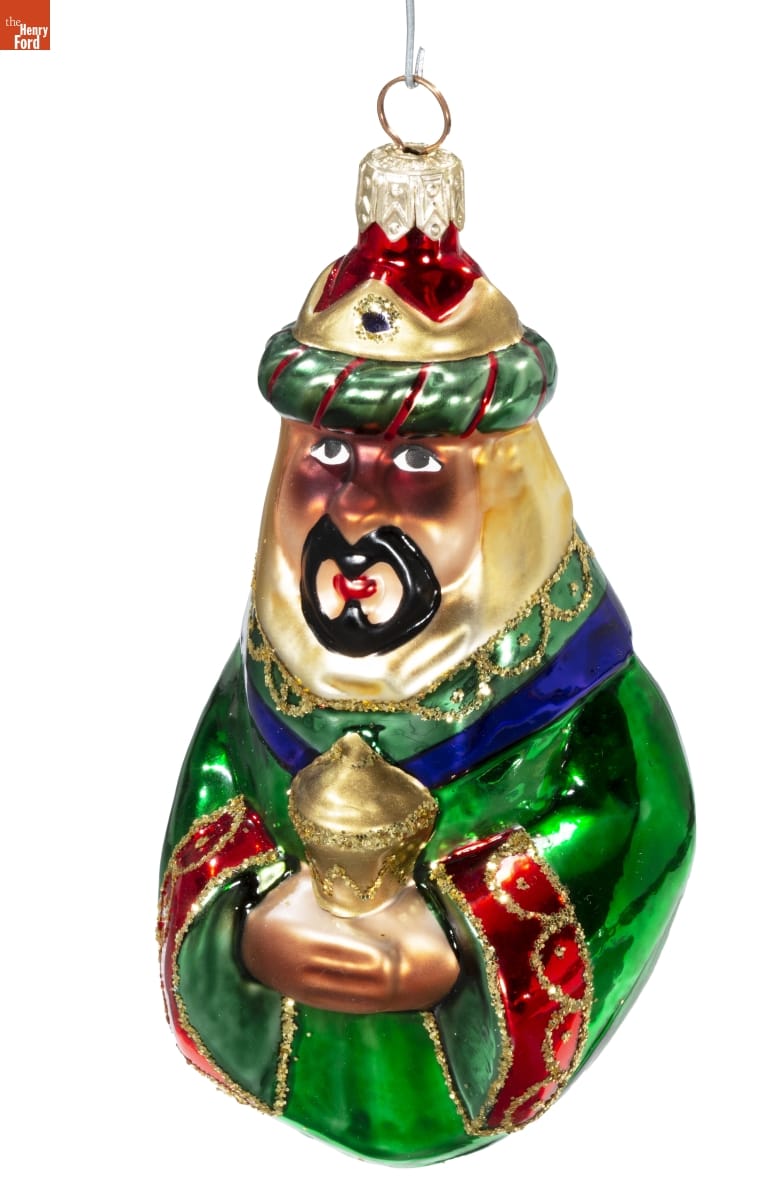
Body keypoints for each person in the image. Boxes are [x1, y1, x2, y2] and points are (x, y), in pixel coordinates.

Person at [159, 143, 694, 1164]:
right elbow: (213, 794)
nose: (356, 508)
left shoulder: (569, 685)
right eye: (326, 456)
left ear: (500, 484)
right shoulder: (272, 671)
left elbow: (631, 815)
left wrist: (461, 934)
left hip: (458, 1057)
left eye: (413, 461)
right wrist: (244, 925)